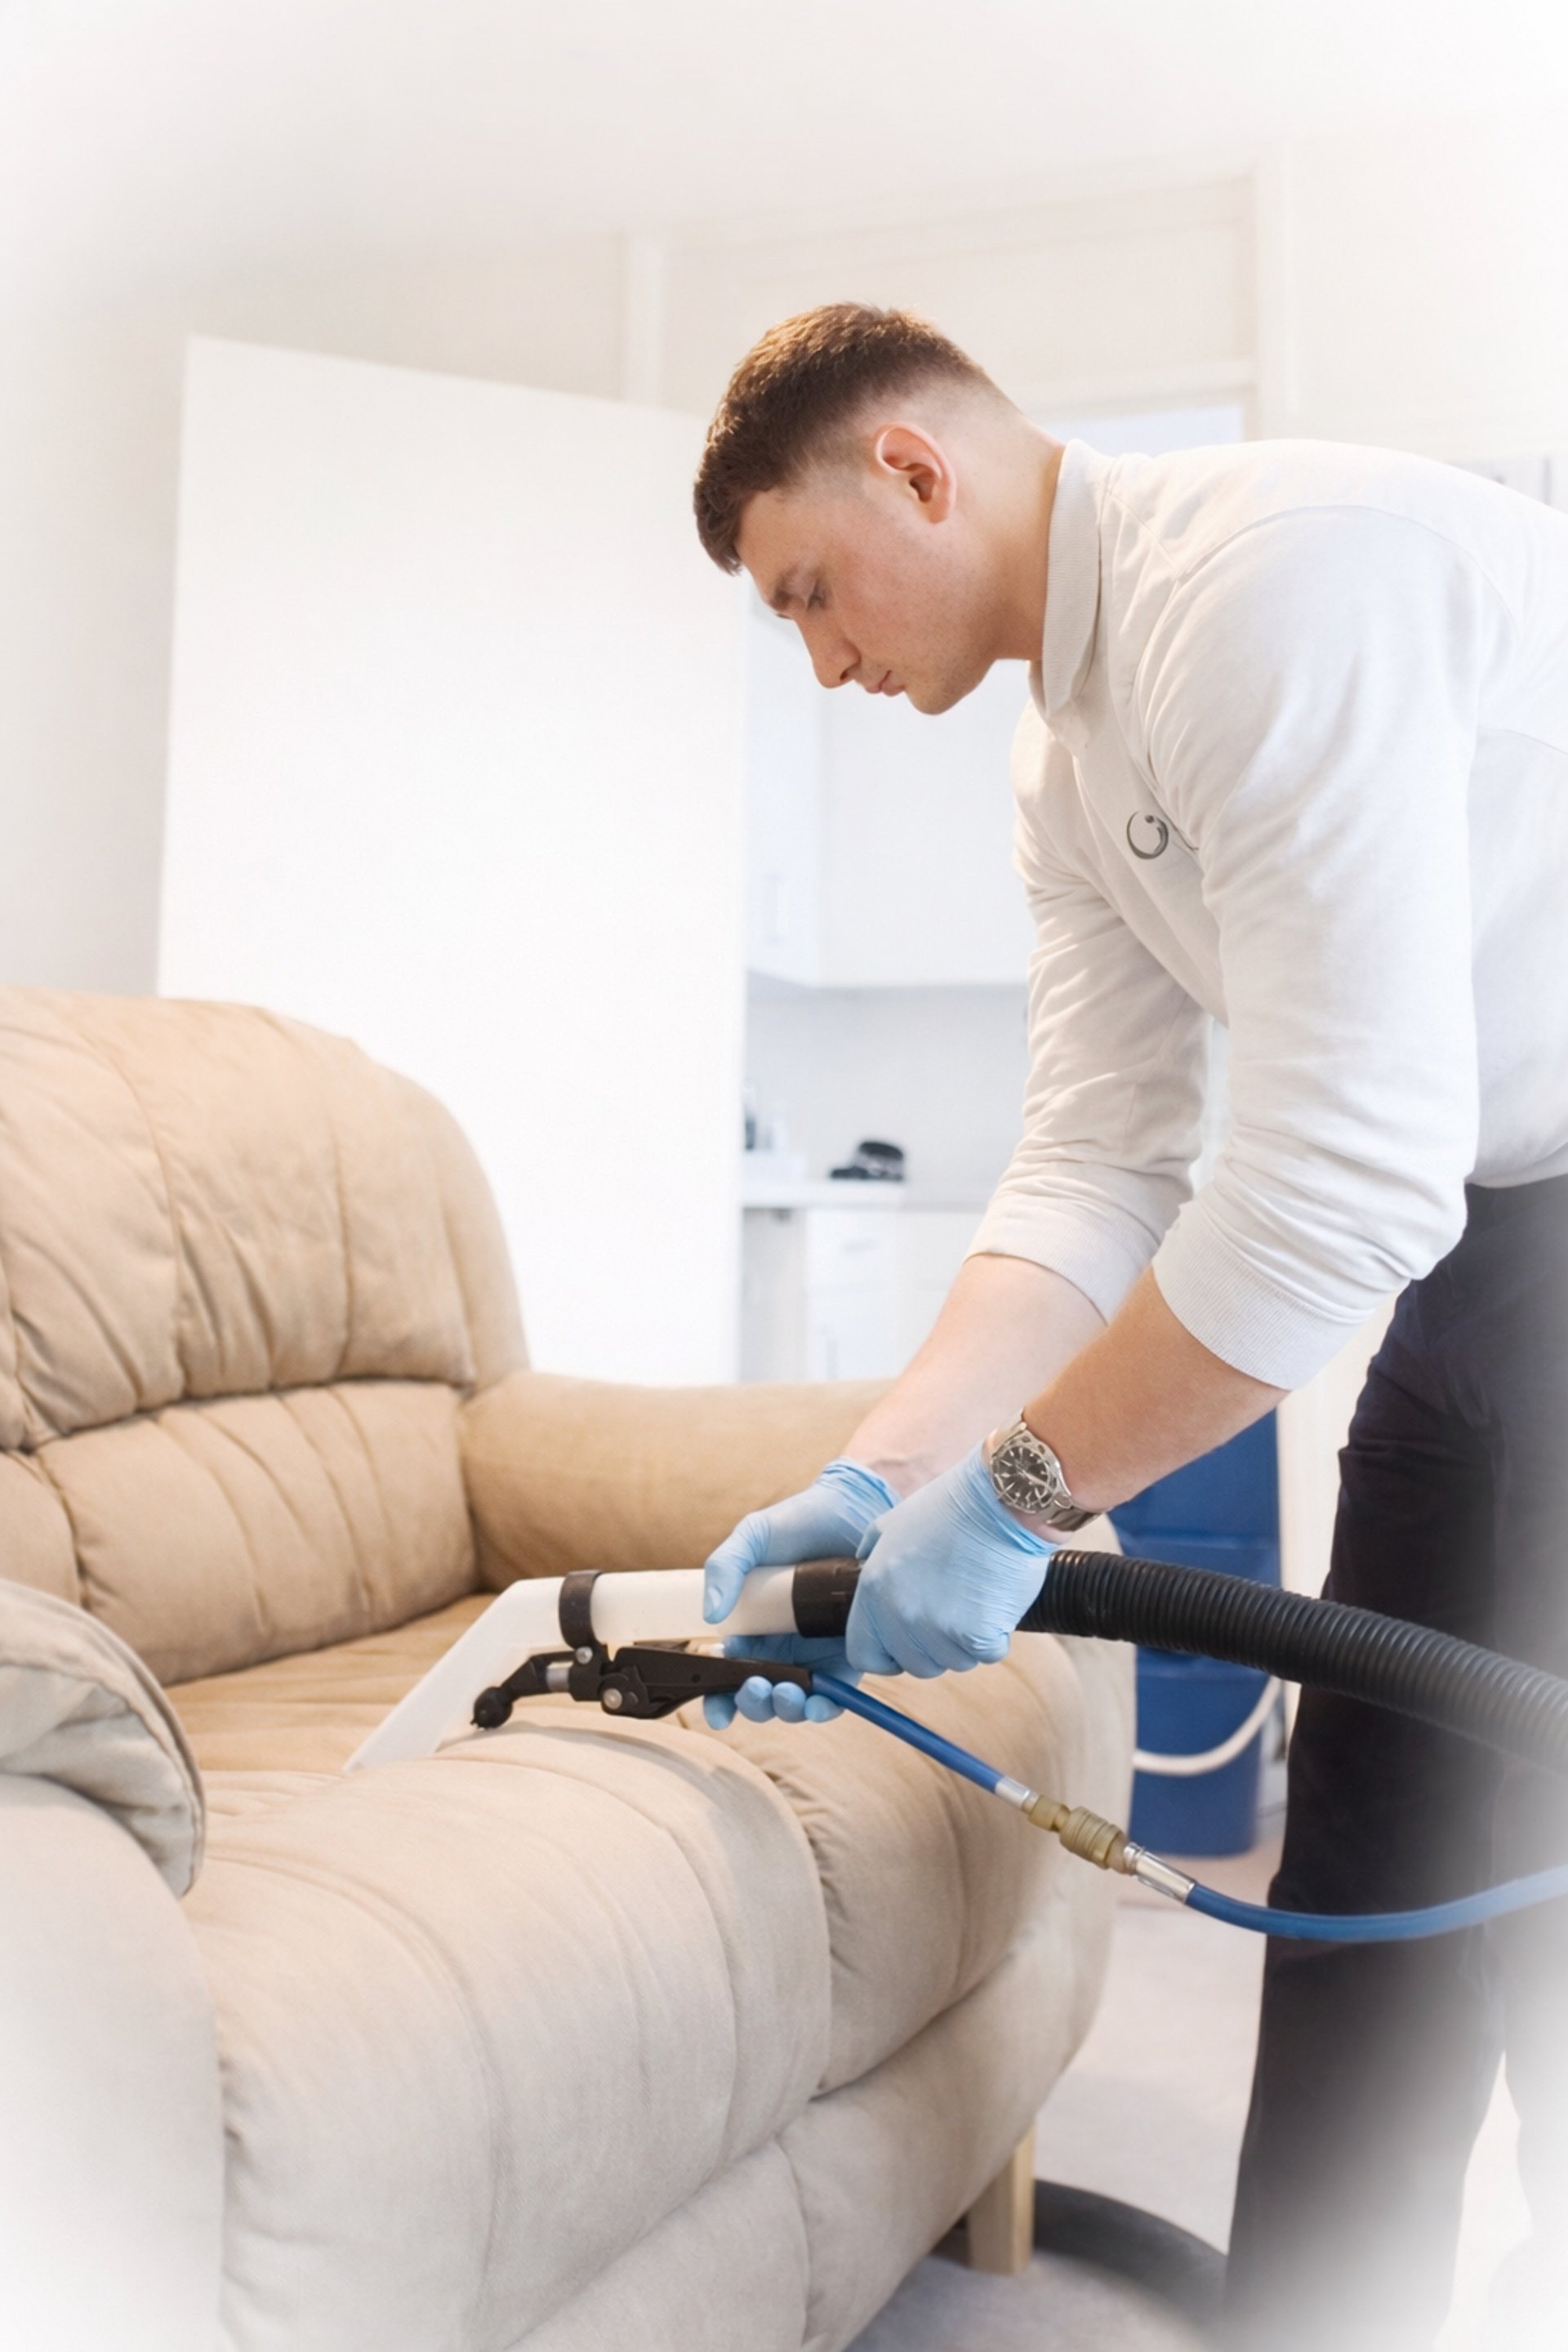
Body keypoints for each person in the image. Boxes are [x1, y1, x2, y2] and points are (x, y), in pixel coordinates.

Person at [689, 302, 1568, 2350]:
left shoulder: (1266, 592)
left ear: (917, 467)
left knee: (1522, 1848)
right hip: (1495, 1245)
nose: (822, 660)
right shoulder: (1068, 755)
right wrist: (879, 1469)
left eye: (813, 591)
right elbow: (1095, 1163)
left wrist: (1017, 1500)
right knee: (1375, 1857)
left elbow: (1344, 1175)